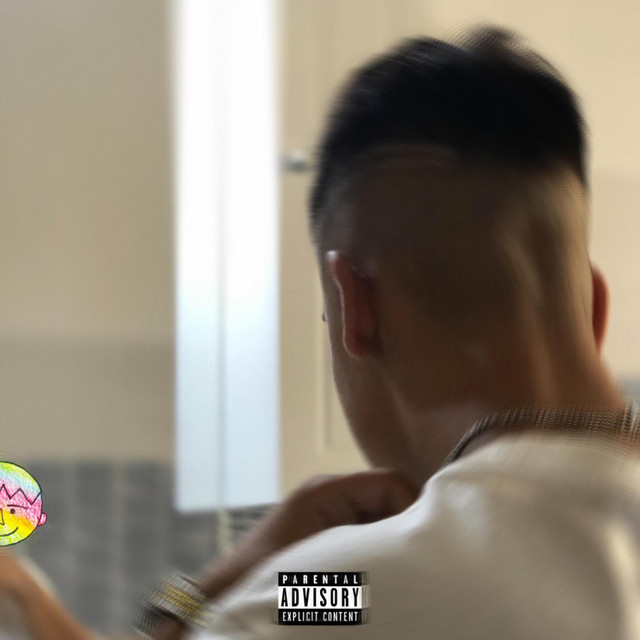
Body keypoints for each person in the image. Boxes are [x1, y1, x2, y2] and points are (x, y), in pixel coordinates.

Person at [146, 26, 640, 639]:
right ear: (594, 308)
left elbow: (334, 603)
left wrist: (201, 596)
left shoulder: (337, 593)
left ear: (357, 308)